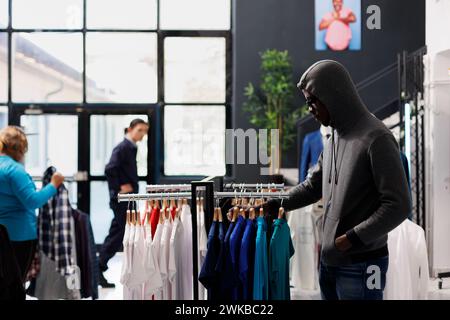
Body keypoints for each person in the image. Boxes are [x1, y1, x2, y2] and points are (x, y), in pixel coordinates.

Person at [263, 60, 411, 300]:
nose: (310, 109)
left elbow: (399, 205)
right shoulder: (334, 138)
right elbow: (313, 187)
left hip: (361, 266)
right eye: (307, 102)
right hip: (331, 262)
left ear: (333, 95)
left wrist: (351, 238)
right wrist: (276, 202)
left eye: (313, 101)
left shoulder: (377, 138)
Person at [0, 126, 64, 284]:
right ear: (20, 148)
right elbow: (32, 201)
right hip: (18, 235)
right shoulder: (14, 170)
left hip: (2, 233)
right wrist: (53, 185)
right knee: (16, 283)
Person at [99, 119, 149, 288]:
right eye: (140, 130)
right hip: (122, 200)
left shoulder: (131, 147)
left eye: (145, 131)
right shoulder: (123, 147)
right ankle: (98, 268)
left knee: (117, 233)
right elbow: (110, 168)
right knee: (120, 234)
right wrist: (120, 187)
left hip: (127, 199)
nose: (142, 134)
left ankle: (97, 268)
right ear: (130, 129)